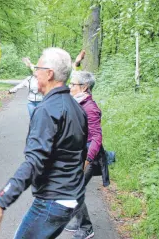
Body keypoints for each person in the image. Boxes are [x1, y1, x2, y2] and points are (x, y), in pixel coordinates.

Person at [0, 48, 88, 238]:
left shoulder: (46, 110)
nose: (35, 72)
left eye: (38, 68)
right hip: (72, 198)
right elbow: (80, 153)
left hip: (53, 201)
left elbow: (34, 162)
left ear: (49, 73)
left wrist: (1, 200)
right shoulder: (76, 107)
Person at [66, 71, 110, 239]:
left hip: (87, 157)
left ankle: (86, 227)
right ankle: (79, 221)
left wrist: (87, 159)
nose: (69, 87)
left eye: (73, 84)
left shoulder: (90, 108)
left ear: (84, 87)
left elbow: (96, 137)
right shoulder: (77, 102)